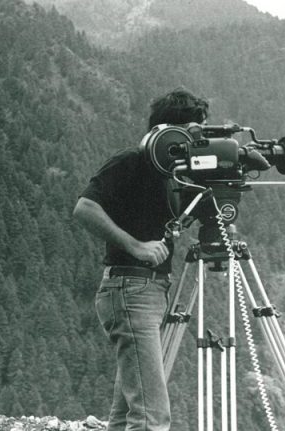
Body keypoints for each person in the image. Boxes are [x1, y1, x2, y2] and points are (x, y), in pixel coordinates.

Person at [73, 88, 210, 431]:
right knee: (151, 417)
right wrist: (135, 246)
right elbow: (85, 207)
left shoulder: (172, 173)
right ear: (170, 130)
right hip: (131, 289)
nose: (198, 139)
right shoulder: (132, 160)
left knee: (125, 417)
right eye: (193, 131)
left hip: (147, 292)